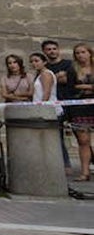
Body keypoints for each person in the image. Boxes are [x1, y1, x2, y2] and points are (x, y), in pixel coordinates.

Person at [42, 39, 73, 171]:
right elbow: (47, 83)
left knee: (82, 136)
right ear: (44, 51)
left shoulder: (69, 64)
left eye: (54, 49)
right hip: (55, 106)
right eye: (48, 49)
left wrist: (54, 78)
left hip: (71, 103)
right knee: (57, 136)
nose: (52, 51)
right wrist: (57, 76)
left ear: (58, 49)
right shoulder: (45, 68)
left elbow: (68, 79)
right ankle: (65, 165)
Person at [64, 44, 93, 181]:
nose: (80, 55)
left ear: (89, 53)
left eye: (83, 52)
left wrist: (84, 86)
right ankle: (85, 172)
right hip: (79, 107)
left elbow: (78, 86)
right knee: (83, 140)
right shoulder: (72, 70)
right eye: (77, 53)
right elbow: (70, 89)